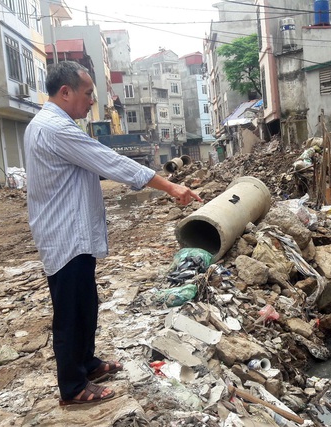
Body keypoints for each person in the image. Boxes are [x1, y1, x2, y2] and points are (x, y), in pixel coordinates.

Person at [24, 61, 202, 406]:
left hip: (71, 233)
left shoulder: (48, 124)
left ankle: (86, 363)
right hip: (65, 235)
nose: (92, 100)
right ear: (66, 92)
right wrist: (170, 187)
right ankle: (72, 388)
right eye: (88, 93)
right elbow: (112, 162)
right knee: (71, 313)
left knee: (86, 304)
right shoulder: (56, 129)